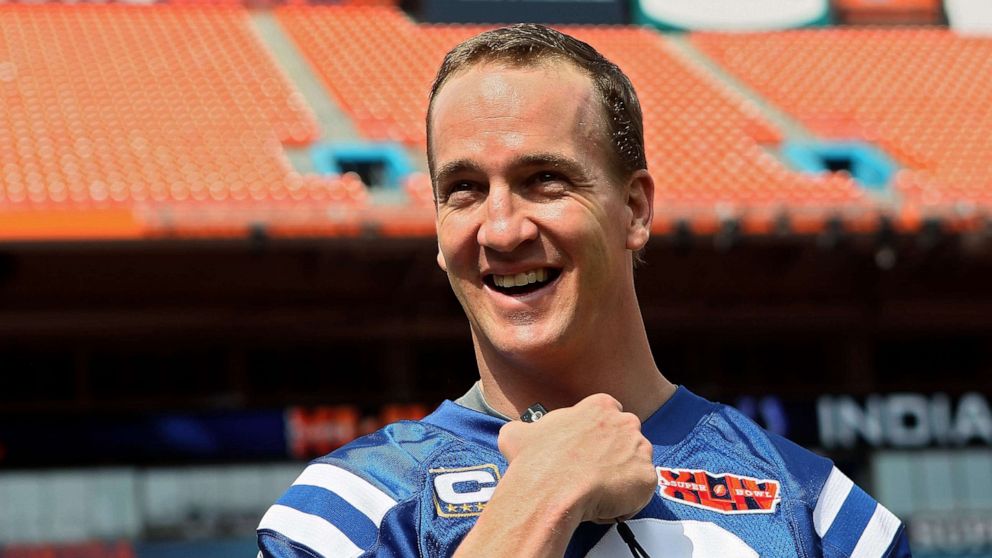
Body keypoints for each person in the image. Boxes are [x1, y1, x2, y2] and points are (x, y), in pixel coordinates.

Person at [257, 24, 911, 557]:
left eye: (545, 180)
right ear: (437, 229)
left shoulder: (824, 516)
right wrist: (544, 494)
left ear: (635, 209)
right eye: (464, 190)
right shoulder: (346, 512)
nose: (503, 229)